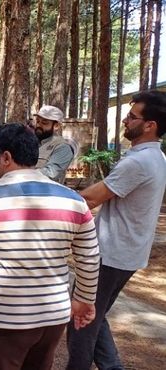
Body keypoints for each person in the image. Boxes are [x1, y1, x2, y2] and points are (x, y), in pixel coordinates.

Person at [0, 123, 100, 370]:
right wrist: (84, 300)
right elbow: (89, 257)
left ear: (7, 157)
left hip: (3, 319)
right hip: (53, 316)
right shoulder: (74, 200)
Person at [66, 91, 166, 370]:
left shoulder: (139, 162)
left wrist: (50, 196)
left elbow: (89, 198)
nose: (124, 120)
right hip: (127, 253)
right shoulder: (157, 158)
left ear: (150, 125)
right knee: (95, 315)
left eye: (132, 116)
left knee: (81, 319)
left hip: (110, 254)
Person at [34, 105, 74, 184]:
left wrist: (22, 174)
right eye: (38, 121)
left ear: (56, 126)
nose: (38, 125)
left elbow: (51, 173)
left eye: (44, 123)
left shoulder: (62, 147)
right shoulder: (31, 143)